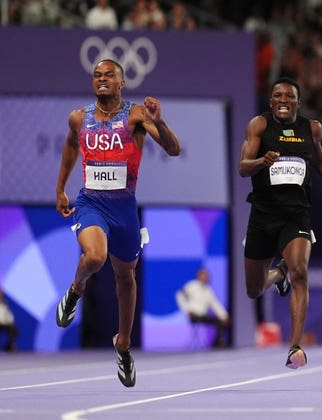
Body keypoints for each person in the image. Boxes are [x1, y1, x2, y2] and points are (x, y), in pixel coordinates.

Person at [54, 58, 181, 388]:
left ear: (122, 83)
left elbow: (173, 149)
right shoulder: (79, 118)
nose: (102, 79)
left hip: (124, 209)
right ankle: (76, 289)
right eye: (97, 75)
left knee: (126, 277)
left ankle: (123, 345)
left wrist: (161, 122)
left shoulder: (136, 115)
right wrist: (60, 189)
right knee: (95, 257)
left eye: (109, 75)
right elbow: (70, 145)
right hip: (91, 202)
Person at [238, 77, 322, 369]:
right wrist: (262, 161)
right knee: (254, 289)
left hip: (296, 214)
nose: (283, 100)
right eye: (277, 96)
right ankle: (278, 274)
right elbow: (242, 167)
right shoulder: (259, 126)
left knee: (300, 271)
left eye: (289, 96)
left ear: (298, 102)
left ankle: (295, 347)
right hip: (263, 214)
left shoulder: (312, 129)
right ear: (271, 102)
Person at [175, 268, 232, 348]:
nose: (205, 277)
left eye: (207, 276)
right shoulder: (192, 286)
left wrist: (224, 316)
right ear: (199, 276)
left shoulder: (208, 289)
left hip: (203, 315)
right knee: (216, 321)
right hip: (194, 315)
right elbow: (179, 295)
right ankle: (217, 343)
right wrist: (187, 310)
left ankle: (216, 343)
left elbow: (215, 304)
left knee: (220, 321)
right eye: (203, 275)